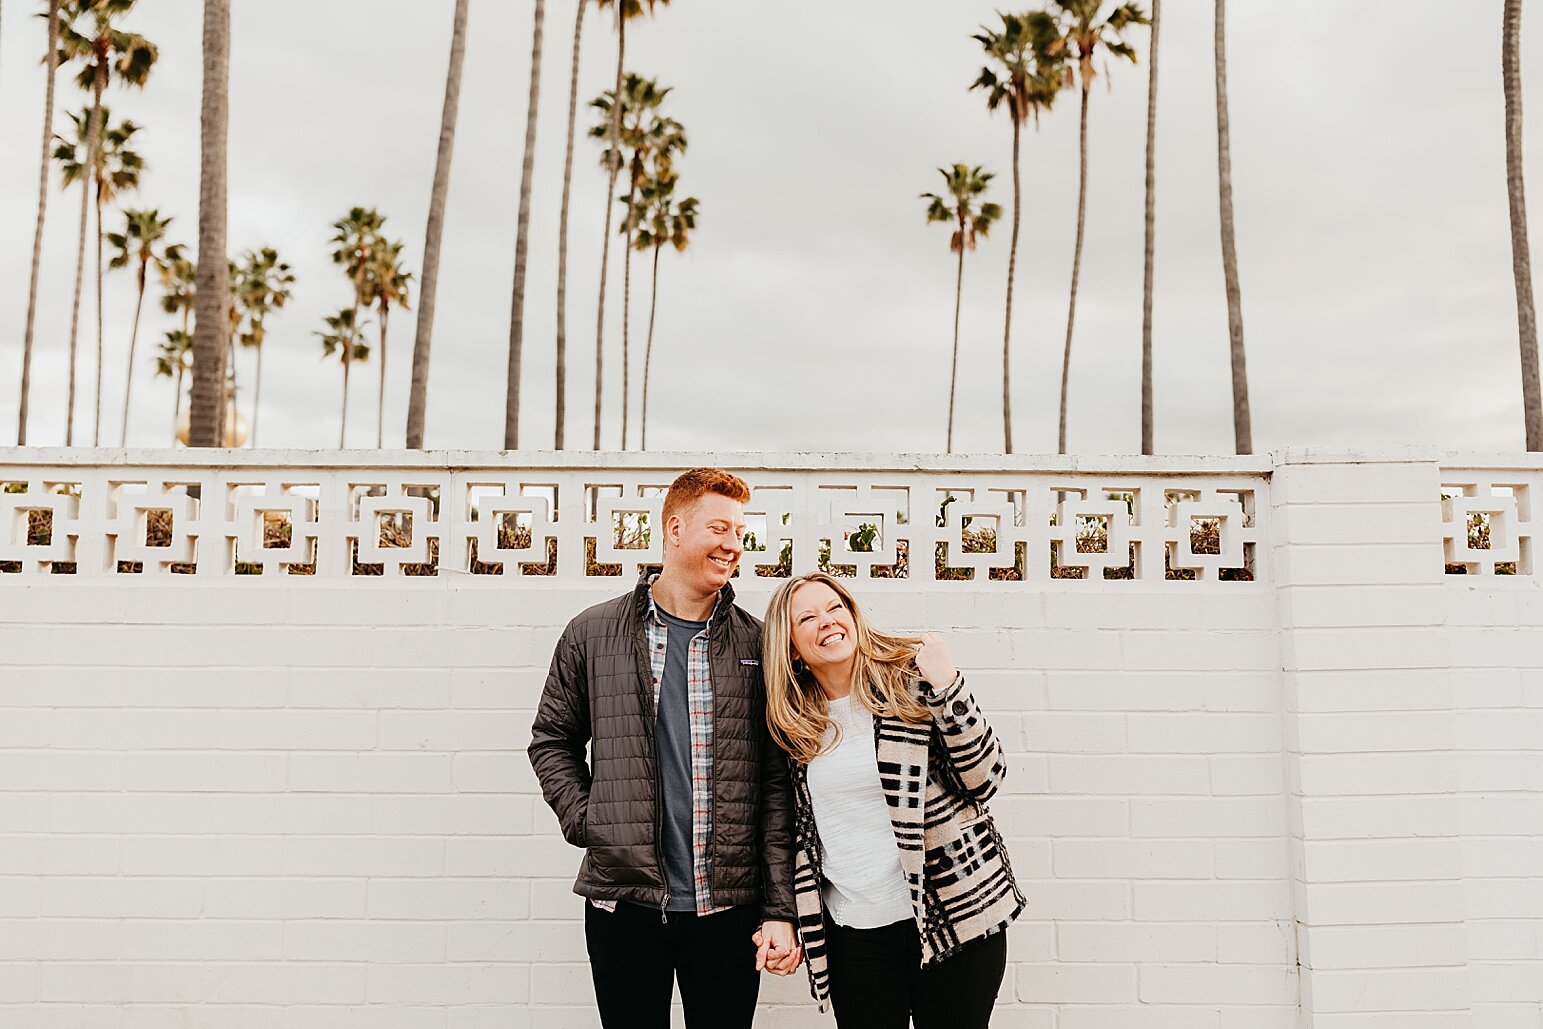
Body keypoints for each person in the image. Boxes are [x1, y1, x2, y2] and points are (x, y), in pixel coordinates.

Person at [529, 467, 802, 1029]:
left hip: (727, 908)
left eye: (739, 532)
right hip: (623, 904)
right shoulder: (593, 632)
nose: (733, 545)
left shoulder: (757, 643)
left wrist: (779, 907)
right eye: (719, 528)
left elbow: (778, 786)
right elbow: (551, 740)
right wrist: (590, 820)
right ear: (675, 529)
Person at [758, 571, 1023, 1029]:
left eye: (835, 608)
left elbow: (985, 779)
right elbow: (785, 830)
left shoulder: (913, 686)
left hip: (954, 915)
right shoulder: (792, 725)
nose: (827, 621)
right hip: (855, 935)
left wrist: (949, 685)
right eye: (808, 617)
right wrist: (779, 914)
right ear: (792, 649)